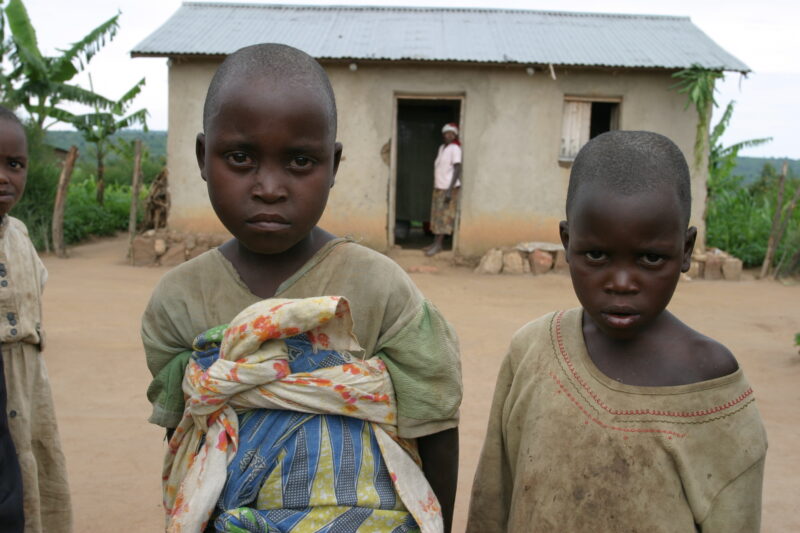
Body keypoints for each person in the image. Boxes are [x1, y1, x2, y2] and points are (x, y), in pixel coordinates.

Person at [141, 44, 462, 532]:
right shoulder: (180, 300)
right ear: (203, 157)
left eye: (300, 161)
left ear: (333, 164)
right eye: (241, 157)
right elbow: (185, 442)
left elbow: (434, 428)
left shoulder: (378, 290)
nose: (269, 186)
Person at [466, 131, 767, 532]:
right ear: (567, 243)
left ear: (687, 250)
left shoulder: (711, 385)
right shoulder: (534, 351)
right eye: (596, 255)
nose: (622, 282)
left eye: (650, 257)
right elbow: (493, 497)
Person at [0, 106, 72, 533]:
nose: (5, 177)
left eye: (15, 164)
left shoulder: (20, 233)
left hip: (28, 384)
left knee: (33, 471)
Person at [424, 123, 461, 257]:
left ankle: (439, 245)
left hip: (448, 188)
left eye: (451, 133)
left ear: (455, 135)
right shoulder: (442, 148)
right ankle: (435, 243)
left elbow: (457, 168)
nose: (449, 135)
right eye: (447, 133)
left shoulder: (455, 148)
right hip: (439, 187)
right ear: (443, 134)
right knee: (437, 216)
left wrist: (450, 190)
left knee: (444, 218)